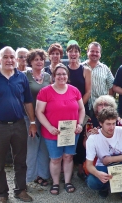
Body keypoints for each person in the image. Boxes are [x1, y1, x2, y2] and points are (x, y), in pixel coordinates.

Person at [0, 46, 36, 203]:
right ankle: (2, 194)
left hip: (18, 125)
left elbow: (27, 102)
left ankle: (20, 190)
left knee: (20, 160)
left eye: (12, 57)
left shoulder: (21, 77)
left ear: (16, 59)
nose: (9, 60)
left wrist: (32, 123)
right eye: (6, 57)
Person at [36, 63, 85, 195]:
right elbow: (39, 112)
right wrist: (49, 127)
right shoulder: (45, 91)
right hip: (52, 132)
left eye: (64, 74)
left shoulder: (74, 90)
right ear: (53, 76)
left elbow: (81, 109)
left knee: (68, 157)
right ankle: (56, 183)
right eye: (58, 74)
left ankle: (68, 181)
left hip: (71, 131)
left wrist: (80, 124)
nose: (61, 76)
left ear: (67, 76)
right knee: (55, 158)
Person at [86, 107, 122, 203]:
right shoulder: (93, 138)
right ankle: (105, 187)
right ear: (100, 123)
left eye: (114, 123)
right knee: (91, 181)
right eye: (108, 124)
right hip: (103, 167)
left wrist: (111, 159)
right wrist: (98, 174)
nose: (112, 127)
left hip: (121, 164)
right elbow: (89, 165)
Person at [24, 49, 51, 186]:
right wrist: (31, 120)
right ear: (30, 62)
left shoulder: (47, 77)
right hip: (30, 117)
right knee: (32, 146)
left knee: (44, 148)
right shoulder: (24, 76)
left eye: (41, 59)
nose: (39, 62)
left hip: (45, 117)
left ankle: (43, 175)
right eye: (36, 59)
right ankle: (30, 176)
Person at [66, 42, 92, 181]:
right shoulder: (63, 70)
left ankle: (82, 167)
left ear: (79, 54)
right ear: (67, 53)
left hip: (82, 108)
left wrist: (79, 106)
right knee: (67, 137)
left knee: (82, 136)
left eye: (76, 51)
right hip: (65, 111)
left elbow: (88, 91)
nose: (73, 54)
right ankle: (67, 167)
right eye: (70, 51)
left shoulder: (85, 70)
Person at [82, 42, 114, 116]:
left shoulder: (105, 69)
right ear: (87, 52)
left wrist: (107, 103)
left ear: (100, 54)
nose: (95, 53)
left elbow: (111, 86)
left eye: (97, 52)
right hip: (84, 106)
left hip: (101, 108)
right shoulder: (81, 67)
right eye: (92, 51)